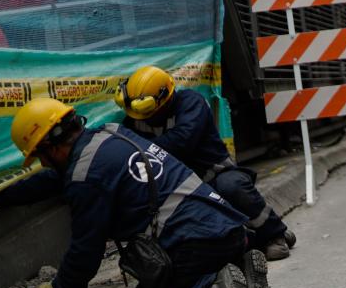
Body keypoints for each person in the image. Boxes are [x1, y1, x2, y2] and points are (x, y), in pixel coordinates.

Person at [0, 97, 270, 288]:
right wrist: (4, 195)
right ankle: (240, 268)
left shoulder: (85, 178)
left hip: (194, 243)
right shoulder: (112, 134)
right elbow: (59, 178)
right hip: (229, 228)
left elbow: (85, 252)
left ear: (53, 147)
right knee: (194, 263)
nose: (41, 163)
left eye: (39, 156)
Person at [117, 65, 296, 261]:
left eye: (147, 111)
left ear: (164, 98)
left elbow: (181, 142)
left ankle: (274, 234)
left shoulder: (191, 103)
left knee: (233, 187)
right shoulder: (134, 119)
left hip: (215, 176)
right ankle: (250, 241)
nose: (141, 119)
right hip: (179, 188)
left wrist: (144, 148)